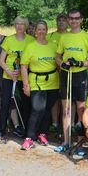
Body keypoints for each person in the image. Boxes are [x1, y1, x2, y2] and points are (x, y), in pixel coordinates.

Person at [55, 9, 88, 152]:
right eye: (71, 18)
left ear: (81, 20)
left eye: (76, 18)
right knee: (66, 109)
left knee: (80, 109)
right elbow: (57, 57)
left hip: (80, 75)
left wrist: (80, 63)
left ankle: (79, 143)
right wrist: (62, 64)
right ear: (68, 20)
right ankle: (66, 141)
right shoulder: (64, 37)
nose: (73, 21)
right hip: (66, 74)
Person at [20, 20, 59, 150]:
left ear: (47, 31)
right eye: (39, 29)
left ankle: (42, 134)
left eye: (44, 29)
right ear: (35, 32)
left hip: (53, 82)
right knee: (37, 109)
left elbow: (58, 63)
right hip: (36, 81)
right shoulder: (30, 46)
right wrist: (26, 84)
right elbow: (24, 66)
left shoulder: (53, 46)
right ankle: (29, 137)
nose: (41, 32)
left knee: (47, 110)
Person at [0, 16, 34, 142]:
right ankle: (0, 131)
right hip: (8, 76)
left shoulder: (31, 40)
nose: (19, 26)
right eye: (17, 23)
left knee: (25, 104)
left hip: (25, 77)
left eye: (22, 24)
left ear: (26, 26)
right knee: (5, 103)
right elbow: (1, 60)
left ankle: (27, 131)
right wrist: (10, 72)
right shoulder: (9, 40)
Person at [46, 13, 68, 134]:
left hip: (68, 71)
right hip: (53, 71)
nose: (61, 22)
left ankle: (67, 123)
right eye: (59, 20)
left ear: (68, 22)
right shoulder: (51, 36)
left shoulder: (71, 36)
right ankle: (54, 123)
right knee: (55, 98)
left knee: (67, 98)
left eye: (64, 20)